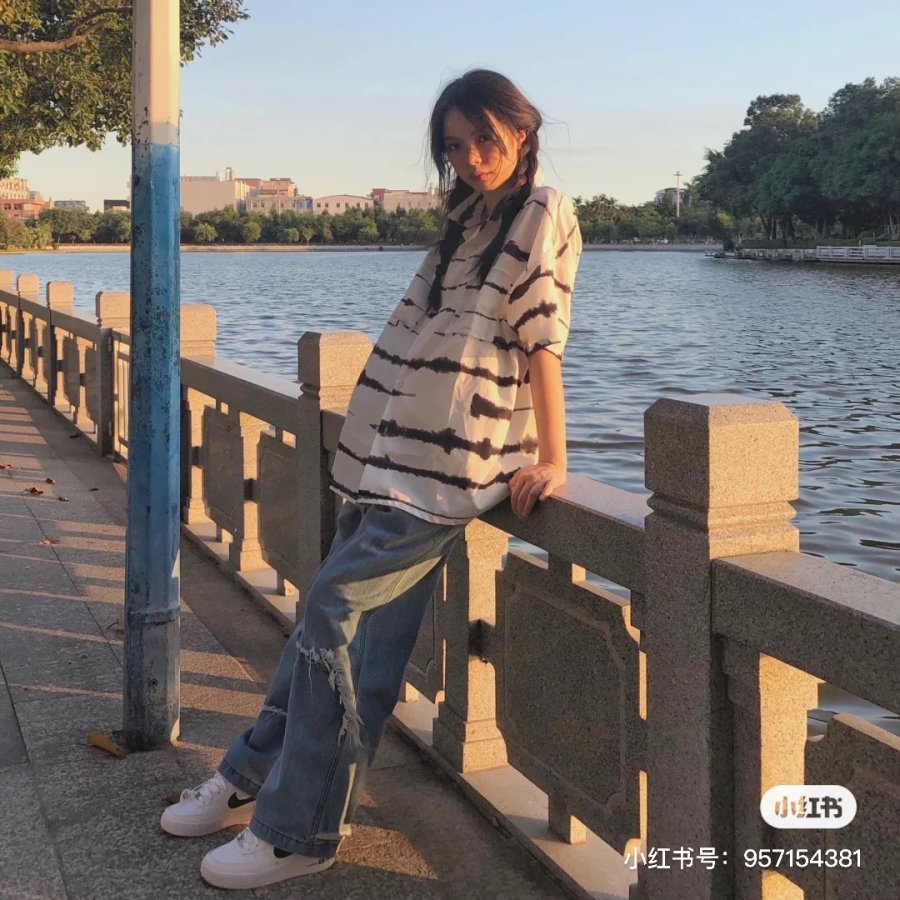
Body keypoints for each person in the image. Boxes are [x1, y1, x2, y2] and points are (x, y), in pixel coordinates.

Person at [160, 68, 583, 890]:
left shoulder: (543, 210)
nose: (471, 158)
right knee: (330, 627)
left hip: (448, 463)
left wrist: (555, 458)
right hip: (389, 454)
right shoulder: (467, 218)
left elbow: (543, 340)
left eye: (484, 140)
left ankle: (300, 830)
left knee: (335, 614)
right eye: (455, 146)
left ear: (521, 132)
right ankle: (250, 780)